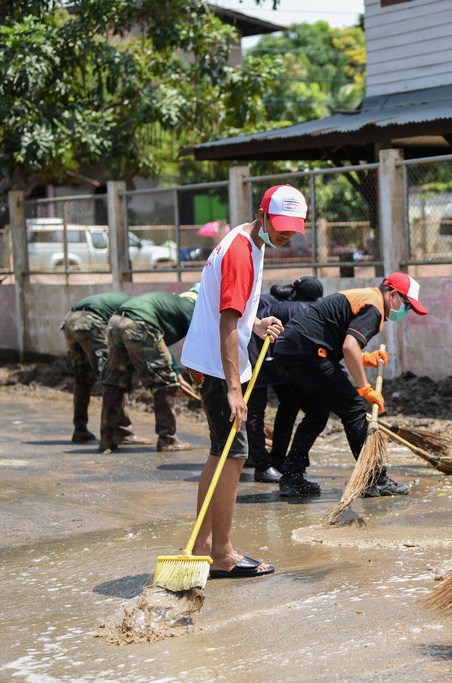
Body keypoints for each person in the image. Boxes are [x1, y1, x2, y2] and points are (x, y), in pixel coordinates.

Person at [179, 184, 306, 580]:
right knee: (233, 456)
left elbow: (236, 311)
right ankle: (222, 553)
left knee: (223, 455)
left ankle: (204, 547)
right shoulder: (239, 251)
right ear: (263, 215)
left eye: (292, 229)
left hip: (215, 361)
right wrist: (234, 389)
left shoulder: (248, 241)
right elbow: (227, 323)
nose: (285, 235)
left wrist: (258, 322)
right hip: (218, 366)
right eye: (280, 226)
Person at [273, 272, 427, 498]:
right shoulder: (374, 307)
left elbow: (338, 337)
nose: (407, 311)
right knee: (354, 409)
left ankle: (291, 477)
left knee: (316, 413)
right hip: (308, 355)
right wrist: (364, 388)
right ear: (393, 295)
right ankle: (374, 479)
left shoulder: (367, 297)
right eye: (407, 305)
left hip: (288, 351)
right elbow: (348, 346)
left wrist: (365, 358)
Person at [244, 277, 324, 485]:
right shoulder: (305, 308)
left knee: (288, 402)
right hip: (256, 353)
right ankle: (262, 465)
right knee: (256, 409)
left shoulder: (284, 305)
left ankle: (277, 459)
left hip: (275, 357)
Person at [99, 286, 199, 453]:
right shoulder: (194, 308)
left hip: (116, 322)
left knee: (114, 380)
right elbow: (197, 343)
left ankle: (107, 439)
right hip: (140, 324)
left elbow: (161, 344)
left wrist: (174, 372)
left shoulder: (174, 302)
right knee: (164, 384)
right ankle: (168, 439)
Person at [61, 291, 137, 443]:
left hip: (70, 320)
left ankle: (80, 430)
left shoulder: (131, 300)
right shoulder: (137, 307)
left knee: (82, 378)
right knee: (113, 376)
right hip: (90, 321)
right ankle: (123, 431)